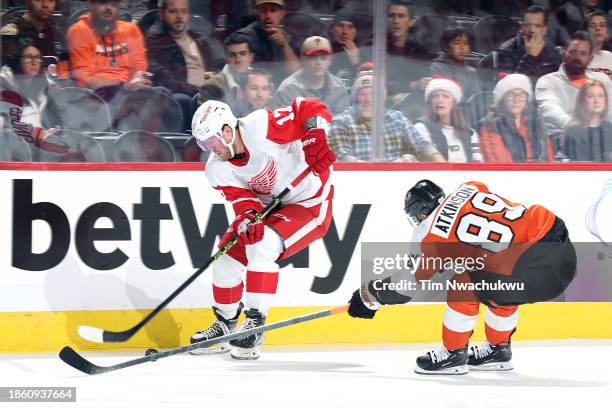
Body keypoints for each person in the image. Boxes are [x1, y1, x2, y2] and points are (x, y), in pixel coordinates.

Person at [348, 179, 577, 374]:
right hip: (557, 237)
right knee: (492, 273)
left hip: (534, 265)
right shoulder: (469, 187)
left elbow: (405, 286)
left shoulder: (429, 235)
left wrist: (369, 295)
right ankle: (498, 350)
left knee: (463, 283)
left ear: (422, 212)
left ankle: (453, 354)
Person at [189, 96, 335, 360]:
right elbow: (244, 202)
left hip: (309, 203)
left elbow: (309, 107)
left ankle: (255, 323)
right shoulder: (217, 169)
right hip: (273, 208)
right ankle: (226, 323)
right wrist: (248, 218)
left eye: (211, 141)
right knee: (225, 258)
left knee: (263, 243)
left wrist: (315, 137)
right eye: (203, 144)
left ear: (226, 130)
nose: (211, 149)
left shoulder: (259, 126)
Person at [328, 73, 444, 162]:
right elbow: (340, 155)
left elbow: (422, 144)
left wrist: (445, 166)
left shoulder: (397, 118)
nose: (368, 99)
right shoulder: (341, 122)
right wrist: (377, 170)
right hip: (359, 181)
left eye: (372, 94)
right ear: (355, 97)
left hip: (398, 179)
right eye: (362, 94)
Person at [145, 0, 213, 130]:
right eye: (173, 11)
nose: (179, 16)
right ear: (161, 13)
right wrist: (193, 89)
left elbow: (209, 70)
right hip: (178, 94)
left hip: (204, 91)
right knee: (184, 100)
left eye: (183, 11)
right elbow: (161, 75)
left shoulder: (198, 39)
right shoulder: (154, 40)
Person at [66, 0, 151, 101]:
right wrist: (125, 87)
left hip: (130, 95)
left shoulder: (131, 30)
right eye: (103, 2)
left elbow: (139, 68)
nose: (109, 8)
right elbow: (84, 79)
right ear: (91, 3)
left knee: (161, 94)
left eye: (114, 4)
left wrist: (135, 82)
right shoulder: (79, 31)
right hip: (95, 98)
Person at [535, 31, 612, 136]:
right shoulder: (548, 81)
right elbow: (549, 108)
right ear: (563, 54)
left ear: (590, 59)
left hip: (600, 138)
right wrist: (574, 126)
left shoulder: (602, 80)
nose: (577, 57)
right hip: (562, 139)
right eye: (573, 52)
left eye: (583, 53)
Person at [479, 73, 551, 162]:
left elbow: (549, 158)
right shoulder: (491, 126)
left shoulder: (536, 123)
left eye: (522, 95)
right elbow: (502, 165)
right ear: (502, 98)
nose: (516, 100)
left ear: (527, 99)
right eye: (511, 95)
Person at [276, 36, 350, 115]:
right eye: (313, 57)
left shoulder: (339, 87)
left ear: (330, 60)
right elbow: (283, 124)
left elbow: (344, 122)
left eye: (323, 58)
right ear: (302, 59)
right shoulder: (287, 89)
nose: (318, 62)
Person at [414, 76, 482, 162]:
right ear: (430, 102)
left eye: (445, 96)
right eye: (434, 96)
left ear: (454, 102)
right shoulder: (420, 127)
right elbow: (429, 155)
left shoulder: (470, 132)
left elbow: (478, 162)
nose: (440, 100)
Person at [234, 0, 301, 84]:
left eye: (273, 10)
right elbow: (236, 74)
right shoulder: (243, 38)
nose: (268, 16)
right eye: (263, 10)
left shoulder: (290, 37)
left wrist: (284, 45)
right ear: (256, 13)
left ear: (281, 14)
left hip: (283, 92)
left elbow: (296, 75)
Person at [0, 39, 60, 130]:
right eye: (28, 57)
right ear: (19, 61)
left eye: (37, 57)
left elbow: (56, 117)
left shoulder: (46, 86)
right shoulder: (6, 84)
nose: (34, 62)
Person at [496, 6, 562, 84]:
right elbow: (510, 86)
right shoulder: (506, 51)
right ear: (521, 28)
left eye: (537, 26)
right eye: (527, 25)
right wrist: (531, 58)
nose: (531, 30)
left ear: (544, 30)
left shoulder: (553, 52)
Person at [385, 0, 434, 98]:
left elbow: (425, 82)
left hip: (412, 102)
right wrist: (412, 85)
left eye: (401, 16)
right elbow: (376, 83)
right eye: (391, 16)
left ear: (411, 21)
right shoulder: (376, 46)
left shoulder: (420, 48)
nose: (396, 21)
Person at [1, 0, 67, 69]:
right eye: (39, 0)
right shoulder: (10, 34)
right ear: (28, 1)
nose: (45, 5)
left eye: (51, 0)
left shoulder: (56, 32)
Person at [198, 32, 255, 109]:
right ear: (226, 58)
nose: (238, 60)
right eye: (232, 55)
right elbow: (206, 119)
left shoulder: (262, 80)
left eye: (242, 54)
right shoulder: (212, 87)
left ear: (251, 57)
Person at [562, 79, 612, 160]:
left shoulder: (609, 128)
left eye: (600, 96)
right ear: (582, 101)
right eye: (590, 96)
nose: (597, 101)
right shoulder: (572, 131)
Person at [430, 27, 479, 101]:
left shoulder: (471, 72)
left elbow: (475, 98)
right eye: (456, 43)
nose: (462, 48)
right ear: (446, 46)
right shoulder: (437, 67)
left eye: (466, 43)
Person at [584, 10, 612, 78]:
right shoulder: (579, 57)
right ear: (585, 32)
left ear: (607, 32)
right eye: (592, 26)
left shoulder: (610, 57)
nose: (598, 28)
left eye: (602, 25)